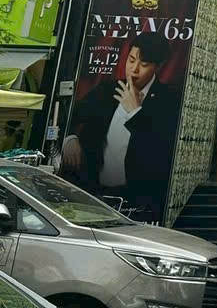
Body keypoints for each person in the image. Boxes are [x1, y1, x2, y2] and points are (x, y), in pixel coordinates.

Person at [61, 32, 181, 223]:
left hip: (138, 202)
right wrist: (70, 139)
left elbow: (160, 150)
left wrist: (135, 113)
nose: (134, 70)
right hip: (92, 193)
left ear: (158, 67)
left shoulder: (169, 101)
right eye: (131, 60)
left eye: (144, 64)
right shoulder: (106, 91)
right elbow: (65, 116)